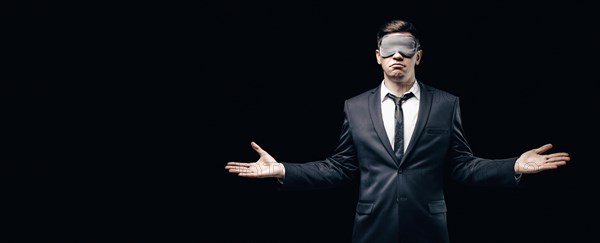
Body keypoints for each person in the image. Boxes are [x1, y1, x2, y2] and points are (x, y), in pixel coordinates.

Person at [224, 19, 570, 243]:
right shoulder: (355, 107)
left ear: (418, 56)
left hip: (429, 230)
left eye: (407, 49)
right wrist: (282, 169)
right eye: (389, 50)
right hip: (371, 230)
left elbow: (462, 165)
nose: (398, 56)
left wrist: (512, 165)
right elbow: (340, 167)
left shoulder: (446, 104)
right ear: (378, 56)